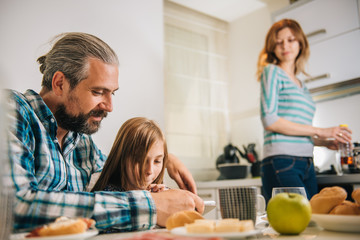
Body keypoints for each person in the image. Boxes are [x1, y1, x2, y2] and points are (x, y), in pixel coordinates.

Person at [6, 32, 204, 232]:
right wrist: (151, 206)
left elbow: (119, 162)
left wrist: (165, 158)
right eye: (98, 92)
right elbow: (14, 206)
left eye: (112, 93)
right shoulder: (11, 111)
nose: (109, 106)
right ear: (60, 83)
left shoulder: (81, 142)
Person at [256, 19, 352, 202]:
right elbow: (270, 120)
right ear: (272, 47)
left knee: (312, 222)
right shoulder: (272, 72)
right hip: (281, 161)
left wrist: (323, 142)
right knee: (295, 223)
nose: (285, 45)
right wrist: (321, 131)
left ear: (300, 43)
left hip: (306, 162)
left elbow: (296, 129)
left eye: (291, 40)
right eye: (279, 41)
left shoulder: (302, 85)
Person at [91, 117, 169, 193]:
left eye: (157, 161)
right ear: (122, 158)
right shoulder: (109, 196)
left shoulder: (160, 192)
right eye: (141, 161)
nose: (150, 171)